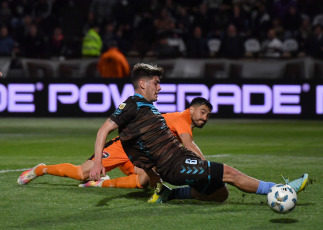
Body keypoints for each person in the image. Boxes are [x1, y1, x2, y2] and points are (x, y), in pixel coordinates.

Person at [88, 63, 308, 203]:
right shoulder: (132, 104)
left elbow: (138, 144)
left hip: (176, 162)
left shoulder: (147, 108)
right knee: (229, 172)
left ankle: (170, 194)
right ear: (143, 84)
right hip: (175, 163)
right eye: (156, 83)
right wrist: (98, 163)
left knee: (220, 194)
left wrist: (153, 175)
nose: (160, 87)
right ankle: (281, 189)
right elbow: (103, 131)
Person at [17, 97, 223, 197]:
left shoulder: (183, 122)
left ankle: (100, 184)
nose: (205, 118)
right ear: (192, 109)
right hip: (124, 147)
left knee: (145, 181)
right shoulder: (182, 119)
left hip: (142, 153)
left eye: (208, 115)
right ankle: (40, 169)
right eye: (203, 112)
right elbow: (188, 145)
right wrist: (206, 168)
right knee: (83, 172)